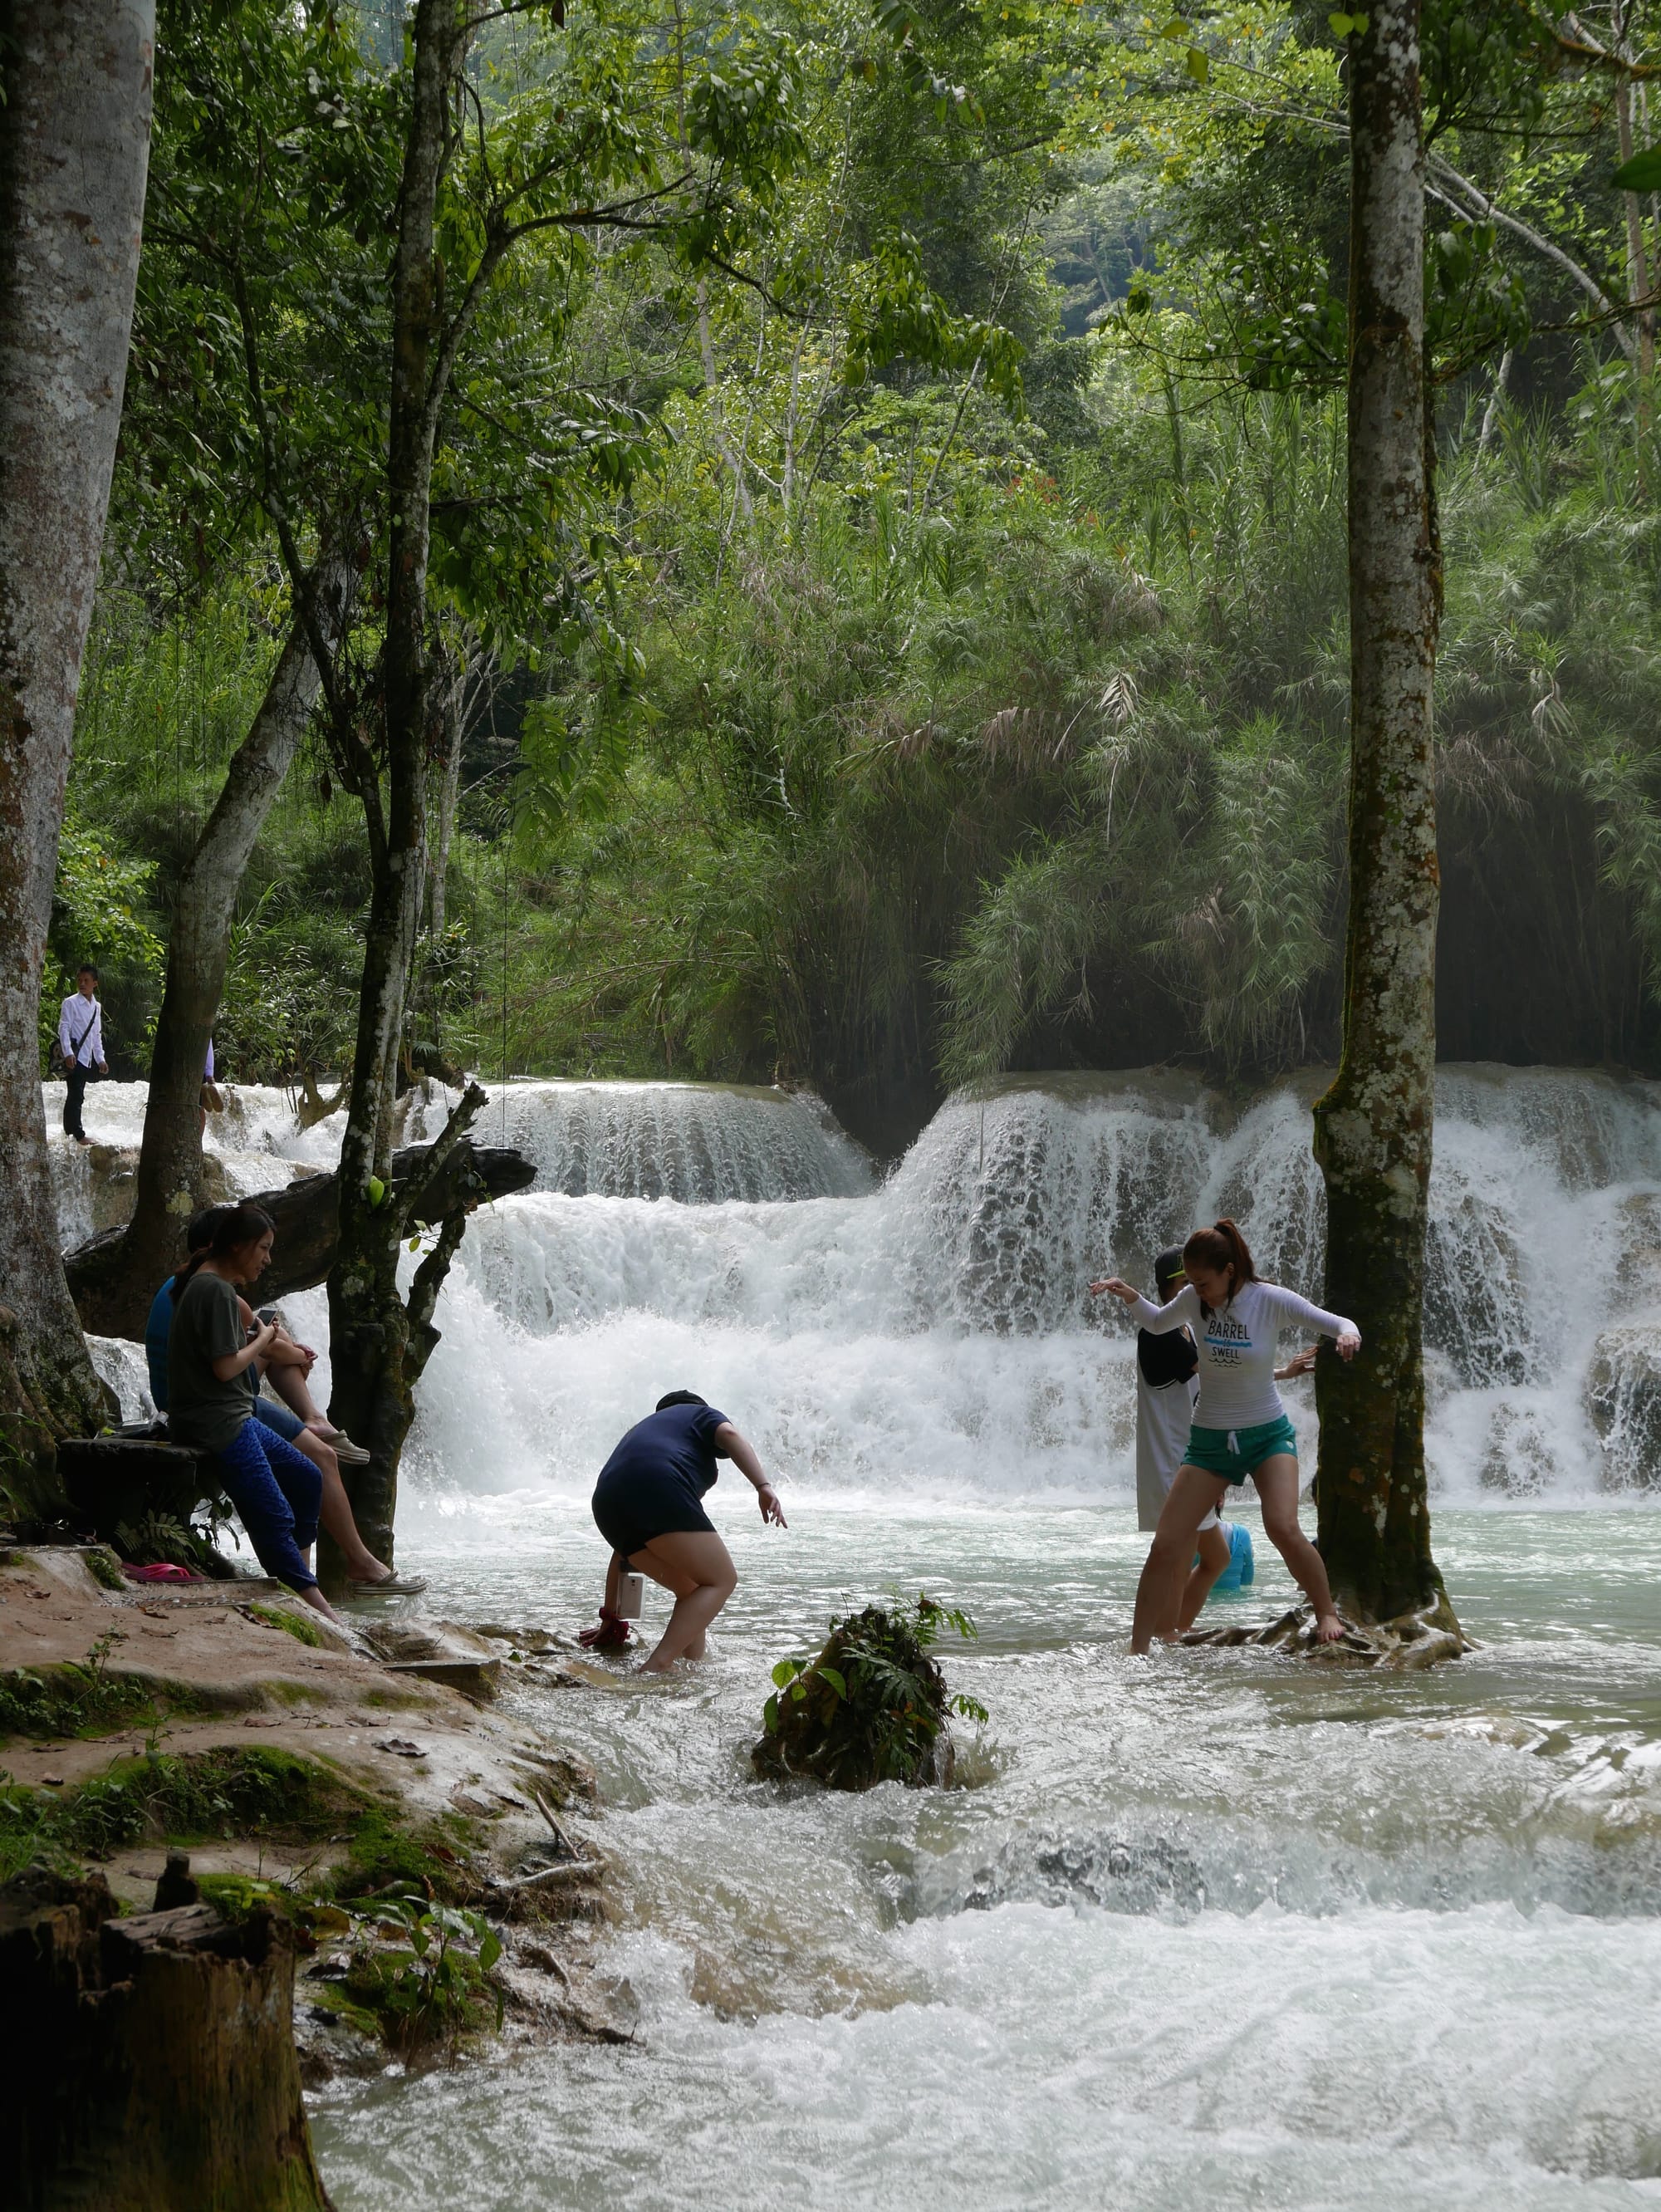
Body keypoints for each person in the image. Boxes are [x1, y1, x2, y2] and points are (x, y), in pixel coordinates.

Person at [1092, 1218, 1360, 1651]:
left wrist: (1348, 1336)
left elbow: (1337, 1322)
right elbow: (1158, 1322)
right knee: (1166, 1543)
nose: (1197, 1291)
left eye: (1203, 1282)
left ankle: (1325, 1611)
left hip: (1266, 1435)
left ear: (1229, 1271)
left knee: (1282, 1527)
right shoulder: (1194, 1301)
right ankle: (1137, 1648)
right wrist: (1131, 1297)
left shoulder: (1269, 1300)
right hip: (1210, 1441)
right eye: (1191, 1283)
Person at [145, 1207, 416, 1594]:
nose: (267, 1260)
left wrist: (271, 1341)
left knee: (309, 1464)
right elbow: (234, 1365)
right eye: (263, 1249)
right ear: (227, 1247)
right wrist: (277, 1344)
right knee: (317, 1458)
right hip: (216, 1406)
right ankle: (326, 1570)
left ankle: (318, 1575)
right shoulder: (216, 1292)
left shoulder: (177, 1286)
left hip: (191, 1400)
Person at [586, 1390, 786, 1673]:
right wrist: (763, 1486)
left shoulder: (643, 1436)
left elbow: (623, 1554)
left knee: (692, 1590)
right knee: (721, 1580)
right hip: (660, 1487)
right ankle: (658, 1665)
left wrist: (612, 1618)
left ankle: (691, 1667)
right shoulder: (696, 1413)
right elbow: (729, 1433)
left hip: (605, 1503)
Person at [1134, 1246, 1252, 1631]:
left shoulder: (1186, 1328)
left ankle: (1177, 1630)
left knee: (1215, 1559)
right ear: (1171, 1287)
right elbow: (1219, 1373)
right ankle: (1166, 1639)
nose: (1196, 1289)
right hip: (1173, 1460)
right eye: (1187, 1282)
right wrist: (1279, 1373)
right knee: (1178, 1559)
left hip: (1193, 1457)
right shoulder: (1160, 1332)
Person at [56, 964, 108, 1145]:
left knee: (75, 1092)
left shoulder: (96, 1007)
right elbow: (64, 1028)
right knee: (76, 1093)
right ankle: (78, 1133)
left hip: (85, 1057)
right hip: (73, 1055)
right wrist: (68, 1052)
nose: (82, 984)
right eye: (80, 980)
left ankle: (69, 1130)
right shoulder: (70, 1003)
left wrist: (100, 1058)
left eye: (86, 980)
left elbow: (96, 1034)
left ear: (95, 983)